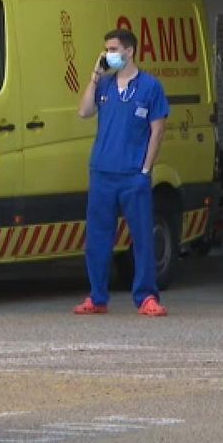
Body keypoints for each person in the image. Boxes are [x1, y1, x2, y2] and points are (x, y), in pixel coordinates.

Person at [73, 28, 170, 317]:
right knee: (98, 238)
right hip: (103, 171)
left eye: (113, 49)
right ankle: (97, 296)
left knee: (141, 237)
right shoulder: (104, 85)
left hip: (132, 175)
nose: (108, 54)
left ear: (129, 51)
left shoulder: (150, 87)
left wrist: (145, 169)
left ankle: (146, 296)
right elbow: (84, 112)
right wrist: (94, 76)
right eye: (106, 49)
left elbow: (158, 129)